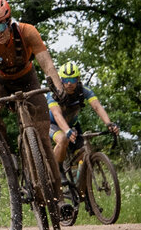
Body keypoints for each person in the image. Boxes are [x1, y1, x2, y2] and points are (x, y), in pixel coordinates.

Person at [46, 60, 114, 192]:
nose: (69, 83)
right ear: (60, 80)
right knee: (62, 140)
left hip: (74, 126)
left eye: (72, 79)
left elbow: (97, 106)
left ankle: (81, 190)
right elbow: (57, 114)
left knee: (84, 157)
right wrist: (66, 131)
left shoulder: (83, 91)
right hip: (53, 124)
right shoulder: (53, 93)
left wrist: (109, 123)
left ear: (77, 79)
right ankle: (57, 169)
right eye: (65, 80)